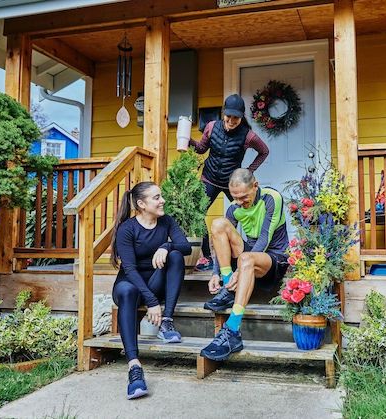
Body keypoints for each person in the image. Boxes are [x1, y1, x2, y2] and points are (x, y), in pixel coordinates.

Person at [109, 181, 191, 399]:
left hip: (156, 282)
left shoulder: (166, 221)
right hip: (130, 285)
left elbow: (185, 246)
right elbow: (129, 269)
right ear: (141, 204)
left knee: (175, 255)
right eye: (156, 197)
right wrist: (152, 302)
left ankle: (167, 321)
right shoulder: (127, 229)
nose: (162, 200)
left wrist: (166, 246)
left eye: (160, 196)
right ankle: (134, 367)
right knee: (127, 292)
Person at [200, 169, 289, 361]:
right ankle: (228, 289)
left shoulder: (272, 198)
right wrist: (216, 273)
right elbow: (221, 241)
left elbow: (265, 237)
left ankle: (232, 329)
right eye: (235, 197)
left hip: (274, 257)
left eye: (243, 197)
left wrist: (240, 270)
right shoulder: (234, 207)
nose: (239, 202)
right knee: (218, 224)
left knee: (246, 259)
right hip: (248, 257)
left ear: (255, 186)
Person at [189, 93, 270, 272]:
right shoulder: (211, 127)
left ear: (241, 117)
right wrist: (188, 140)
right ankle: (208, 258)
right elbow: (201, 149)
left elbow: (264, 151)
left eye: (236, 118)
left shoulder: (248, 136)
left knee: (249, 213)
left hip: (231, 183)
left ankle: (253, 254)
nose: (231, 121)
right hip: (209, 179)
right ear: (223, 113)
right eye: (229, 116)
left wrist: (248, 171)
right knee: (197, 214)